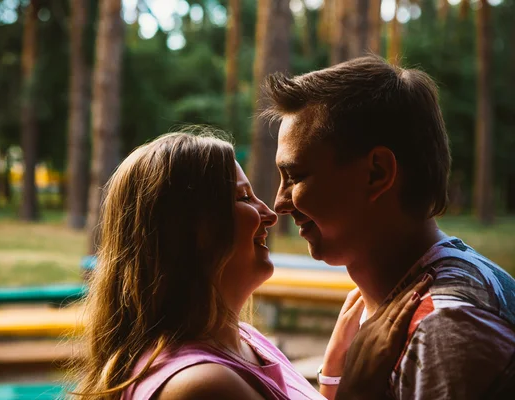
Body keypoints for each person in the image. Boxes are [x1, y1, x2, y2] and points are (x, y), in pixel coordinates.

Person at [72, 131, 432, 400]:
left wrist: (334, 372)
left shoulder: (246, 340)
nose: (271, 215)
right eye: (244, 197)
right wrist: (358, 388)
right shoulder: (200, 386)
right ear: (192, 230)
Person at [269, 56, 515, 399]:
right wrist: (335, 380)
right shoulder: (402, 304)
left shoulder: (445, 329)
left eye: (295, 176)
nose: (279, 203)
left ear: (377, 173)